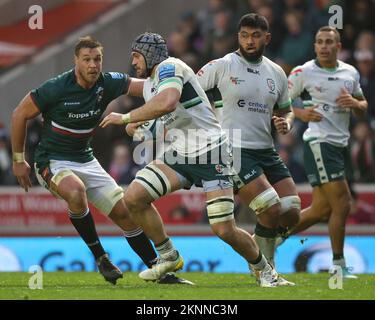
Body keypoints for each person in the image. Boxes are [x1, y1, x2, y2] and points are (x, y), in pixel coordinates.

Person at [100, 32, 280, 287]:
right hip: (180, 154)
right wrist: (139, 127)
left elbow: (169, 102)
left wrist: (127, 118)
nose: (134, 63)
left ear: (149, 55)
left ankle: (266, 271)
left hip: (211, 152)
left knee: (224, 230)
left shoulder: (170, 67)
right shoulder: (152, 84)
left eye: (136, 57)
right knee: (133, 197)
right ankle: (168, 255)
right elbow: (158, 115)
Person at [11, 36, 192, 285]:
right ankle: (101, 257)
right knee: (76, 191)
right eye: (87, 60)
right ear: (76, 61)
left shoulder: (108, 83)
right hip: (52, 161)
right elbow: (20, 113)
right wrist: (19, 159)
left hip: (86, 160)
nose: (93, 65)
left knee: (126, 214)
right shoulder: (56, 87)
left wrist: (180, 83)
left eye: (97, 59)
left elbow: (150, 87)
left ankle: (159, 271)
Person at [197, 13, 300, 286]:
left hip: (266, 149)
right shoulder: (223, 65)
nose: (249, 41)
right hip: (234, 148)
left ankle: (257, 247)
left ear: (266, 38)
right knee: (269, 207)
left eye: (255, 35)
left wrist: (285, 123)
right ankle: (267, 272)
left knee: (292, 210)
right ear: (238, 37)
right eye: (244, 35)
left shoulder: (276, 73)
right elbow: (188, 90)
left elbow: (287, 111)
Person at [283, 26, 368, 278]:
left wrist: (355, 104)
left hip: (341, 145)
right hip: (319, 143)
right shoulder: (303, 72)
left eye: (329, 42)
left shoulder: (350, 72)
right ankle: (338, 265)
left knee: (321, 209)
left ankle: (269, 238)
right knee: (343, 203)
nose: (323, 46)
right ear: (315, 46)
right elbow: (279, 104)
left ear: (338, 46)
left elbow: (363, 107)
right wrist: (300, 113)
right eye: (319, 42)